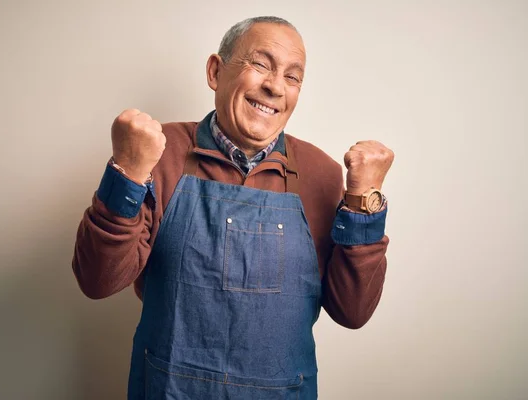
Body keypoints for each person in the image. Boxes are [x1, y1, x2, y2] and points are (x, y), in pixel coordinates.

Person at [72, 16, 394, 400]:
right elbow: (97, 280)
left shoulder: (322, 174)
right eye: (261, 65)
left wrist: (364, 201)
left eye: (293, 77)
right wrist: (127, 172)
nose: (275, 87)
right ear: (215, 71)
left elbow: (352, 312)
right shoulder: (159, 154)